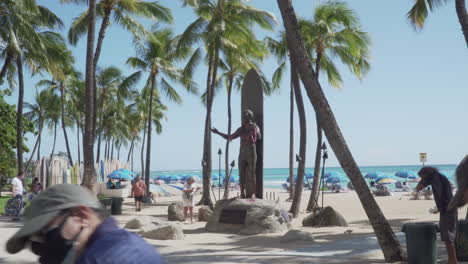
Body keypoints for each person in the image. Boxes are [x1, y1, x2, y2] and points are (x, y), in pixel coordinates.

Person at [6, 184, 165, 264]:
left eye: (44, 234)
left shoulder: (99, 258)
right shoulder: (124, 243)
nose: (39, 250)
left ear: (81, 216)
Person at [212, 110, 261, 198]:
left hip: (251, 150)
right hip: (242, 151)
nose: (244, 118)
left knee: (251, 172)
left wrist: (254, 130)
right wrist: (218, 132)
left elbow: (259, 137)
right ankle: (242, 193)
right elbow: (230, 137)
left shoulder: (254, 127)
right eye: (243, 116)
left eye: (246, 116)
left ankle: (253, 193)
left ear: (250, 117)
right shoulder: (240, 129)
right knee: (241, 173)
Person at [416, 166, 458, 264]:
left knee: (448, 237)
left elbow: (441, 194)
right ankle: (452, 261)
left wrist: (440, 208)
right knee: (449, 236)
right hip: (449, 208)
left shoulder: (436, 179)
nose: (422, 179)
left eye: (422, 177)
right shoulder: (438, 177)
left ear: (427, 175)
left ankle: (452, 261)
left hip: (447, 209)